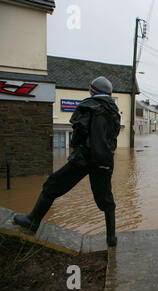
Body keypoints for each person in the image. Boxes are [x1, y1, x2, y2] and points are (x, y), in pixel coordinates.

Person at [13, 76, 121, 247]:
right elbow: (113, 138)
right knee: (106, 199)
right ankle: (111, 239)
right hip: (104, 160)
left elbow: (79, 131)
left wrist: (75, 147)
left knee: (51, 185)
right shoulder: (114, 112)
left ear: (92, 90)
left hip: (84, 159)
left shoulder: (87, 106)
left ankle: (32, 221)